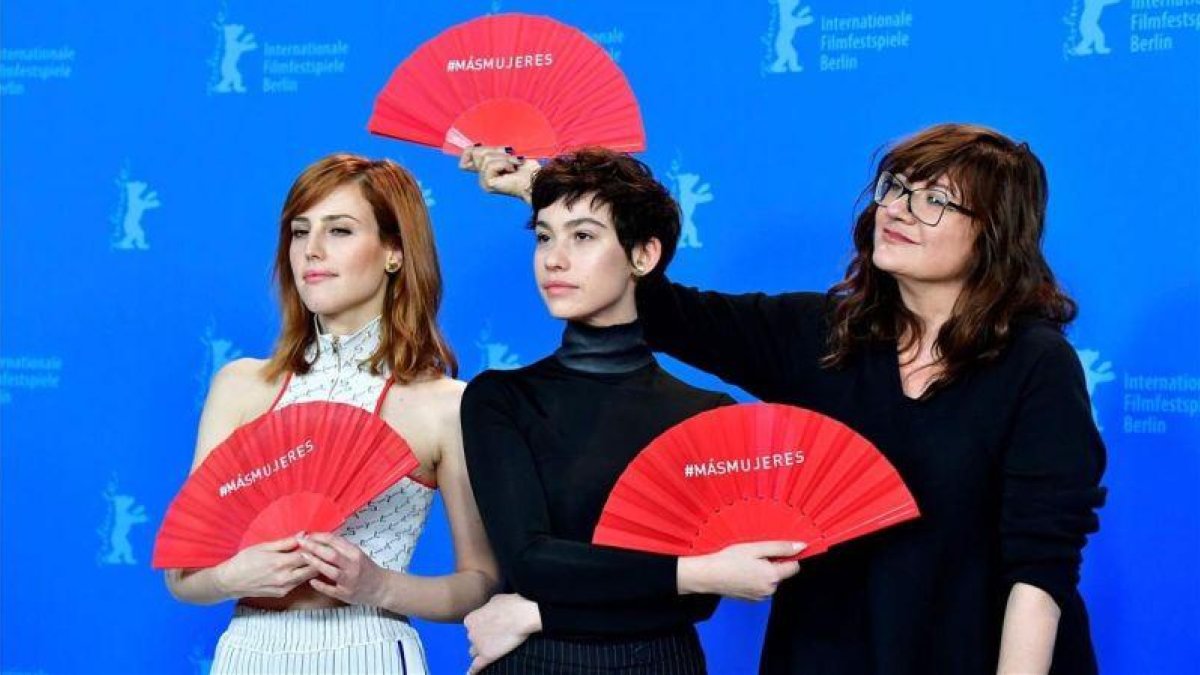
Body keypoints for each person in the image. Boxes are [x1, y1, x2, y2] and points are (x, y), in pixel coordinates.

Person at [461, 124, 1107, 675]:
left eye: (935, 199)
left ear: (994, 233)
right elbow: (653, 300)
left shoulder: (1035, 363)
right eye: (897, 188)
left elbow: (1040, 571)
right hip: (825, 651)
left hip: (971, 651)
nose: (900, 209)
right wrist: (547, 190)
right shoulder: (825, 334)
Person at [457, 148, 805, 674]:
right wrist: (700, 570)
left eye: (583, 236)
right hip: (535, 664)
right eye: (545, 236)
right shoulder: (500, 397)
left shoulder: (708, 415)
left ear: (643, 256)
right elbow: (533, 563)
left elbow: (696, 605)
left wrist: (539, 616)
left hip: (660, 662)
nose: (554, 258)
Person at [164, 153, 499, 674]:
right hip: (246, 651)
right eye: (300, 232)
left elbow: (478, 584)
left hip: (370, 648)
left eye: (339, 230)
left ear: (394, 251)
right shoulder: (240, 386)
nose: (311, 251)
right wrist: (234, 577)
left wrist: (379, 584)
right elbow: (182, 572)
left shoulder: (445, 404)